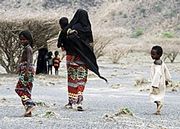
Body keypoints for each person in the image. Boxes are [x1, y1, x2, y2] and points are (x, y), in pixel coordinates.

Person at [57, 9, 107, 111]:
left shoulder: (71, 28)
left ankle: (71, 101)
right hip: (84, 59)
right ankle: (79, 99)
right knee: (81, 79)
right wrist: (89, 58)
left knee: (72, 79)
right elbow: (91, 46)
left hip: (71, 58)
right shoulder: (88, 29)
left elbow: (62, 41)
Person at [15, 30, 36, 117]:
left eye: (24, 39)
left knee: (19, 89)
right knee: (26, 91)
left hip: (26, 71)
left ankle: (30, 104)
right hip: (25, 71)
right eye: (21, 39)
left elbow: (29, 61)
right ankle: (28, 111)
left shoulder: (28, 48)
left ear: (29, 39)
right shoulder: (27, 48)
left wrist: (26, 72)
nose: (22, 41)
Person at [150, 45, 171, 115]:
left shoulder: (156, 63)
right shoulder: (162, 63)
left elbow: (157, 74)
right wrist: (167, 80)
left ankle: (159, 103)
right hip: (162, 82)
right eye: (151, 54)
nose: (152, 56)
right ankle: (158, 110)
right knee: (159, 95)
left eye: (153, 54)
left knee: (153, 95)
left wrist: (154, 85)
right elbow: (166, 71)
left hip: (157, 83)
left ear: (159, 55)